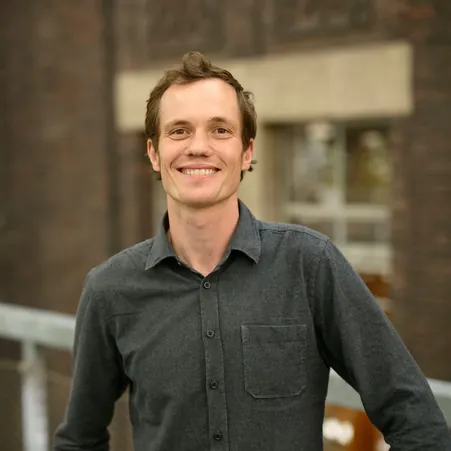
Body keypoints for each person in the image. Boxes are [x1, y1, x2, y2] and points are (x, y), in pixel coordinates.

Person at [54, 52, 451, 451]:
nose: (198, 147)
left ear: (246, 152)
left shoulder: (310, 265)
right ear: (154, 154)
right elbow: (78, 441)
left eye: (220, 130)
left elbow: (416, 421)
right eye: (179, 131)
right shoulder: (110, 290)